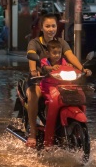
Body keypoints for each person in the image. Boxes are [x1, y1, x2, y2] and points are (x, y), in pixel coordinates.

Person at [26, 14, 90, 147]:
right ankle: (32, 133)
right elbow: (32, 58)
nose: (51, 29)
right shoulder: (35, 43)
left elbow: (70, 56)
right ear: (41, 27)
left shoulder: (61, 43)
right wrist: (33, 71)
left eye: (53, 26)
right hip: (39, 80)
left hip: (59, 81)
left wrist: (82, 69)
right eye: (47, 26)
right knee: (33, 95)